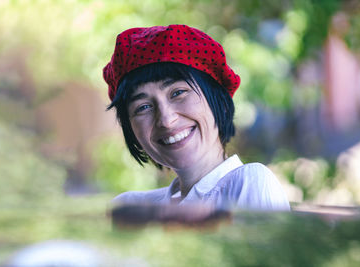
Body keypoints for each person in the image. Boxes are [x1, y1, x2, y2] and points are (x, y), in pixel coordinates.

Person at [103, 24, 290, 211]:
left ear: (221, 102)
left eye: (178, 93)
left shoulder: (249, 182)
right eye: (143, 107)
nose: (166, 120)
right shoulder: (131, 207)